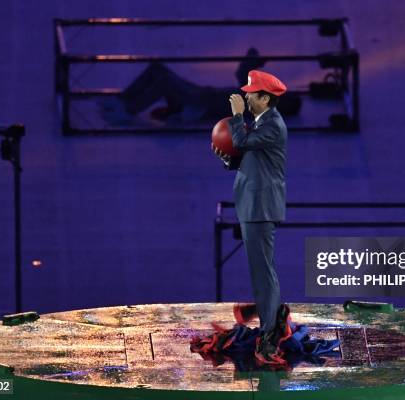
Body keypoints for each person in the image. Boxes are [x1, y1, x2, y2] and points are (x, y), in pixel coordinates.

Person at [213, 69, 289, 364]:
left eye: (250, 93)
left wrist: (235, 117)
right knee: (261, 269)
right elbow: (248, 157)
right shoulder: (261, 124)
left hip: (260, 207)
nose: (245, 96)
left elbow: (244, 142)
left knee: (263, 272)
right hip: (252, 204)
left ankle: (270, 331)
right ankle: (273, 317)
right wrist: (228, 159)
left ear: (265, 98)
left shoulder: (273, 126)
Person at [99, 48, 302, 125]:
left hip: (201, 103)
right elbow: (243, 77)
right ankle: (123, 100)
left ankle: (128, 111)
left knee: (164, 82)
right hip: (203, 95)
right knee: (157, 68)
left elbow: (243, 77)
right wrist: (252, 61)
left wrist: (252, 61)